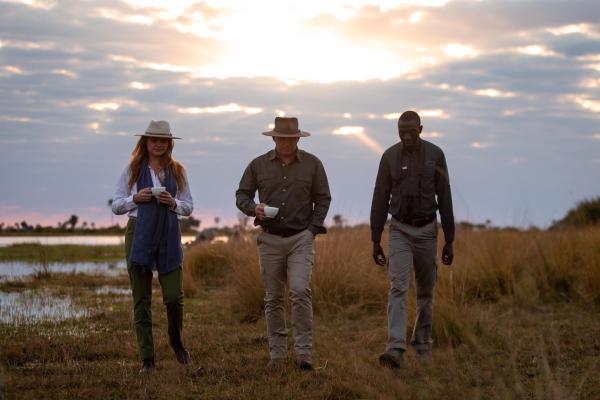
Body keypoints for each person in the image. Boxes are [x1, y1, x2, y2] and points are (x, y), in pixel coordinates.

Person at [236, 116, 331, 371]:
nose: (286, 143)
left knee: (300, 291)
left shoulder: (313, 164)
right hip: (269, 239)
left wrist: (312, 230)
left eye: (291, 138)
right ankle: (277, 355)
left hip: (301, 237)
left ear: (298, 138)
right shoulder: (258, 165)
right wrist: (253, 208)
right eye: (282, 138)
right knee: (273, 298)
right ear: (274, 138)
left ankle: (303, 353)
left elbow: (323, 199)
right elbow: (241, 195)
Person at [370, 110, 455, 368]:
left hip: (427, 231)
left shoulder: (435, 155)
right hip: (399, 231)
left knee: (425, 290)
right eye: (401, 131)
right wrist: (375, 239)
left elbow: (445, 197)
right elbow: (380, 198)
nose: (406, 135)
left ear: (420, 129)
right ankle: (395, 348)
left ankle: (422, 343)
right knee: (398, 286)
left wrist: (449, 239)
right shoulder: (389, 157)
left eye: (410, 131)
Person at [112, 120, 193, 373]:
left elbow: (188, 206)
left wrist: (173, 204)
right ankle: (147, 359)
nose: (158, 144)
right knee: (141, 299)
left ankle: (176, 342)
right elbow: (116, 205)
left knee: (173, 297)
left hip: (169, 233)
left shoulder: (178, 171)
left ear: (169, 144)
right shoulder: (132, 169)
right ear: (145, 143)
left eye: (163, 140)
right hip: (139, 233)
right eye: (153, 139)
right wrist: (135, 199)